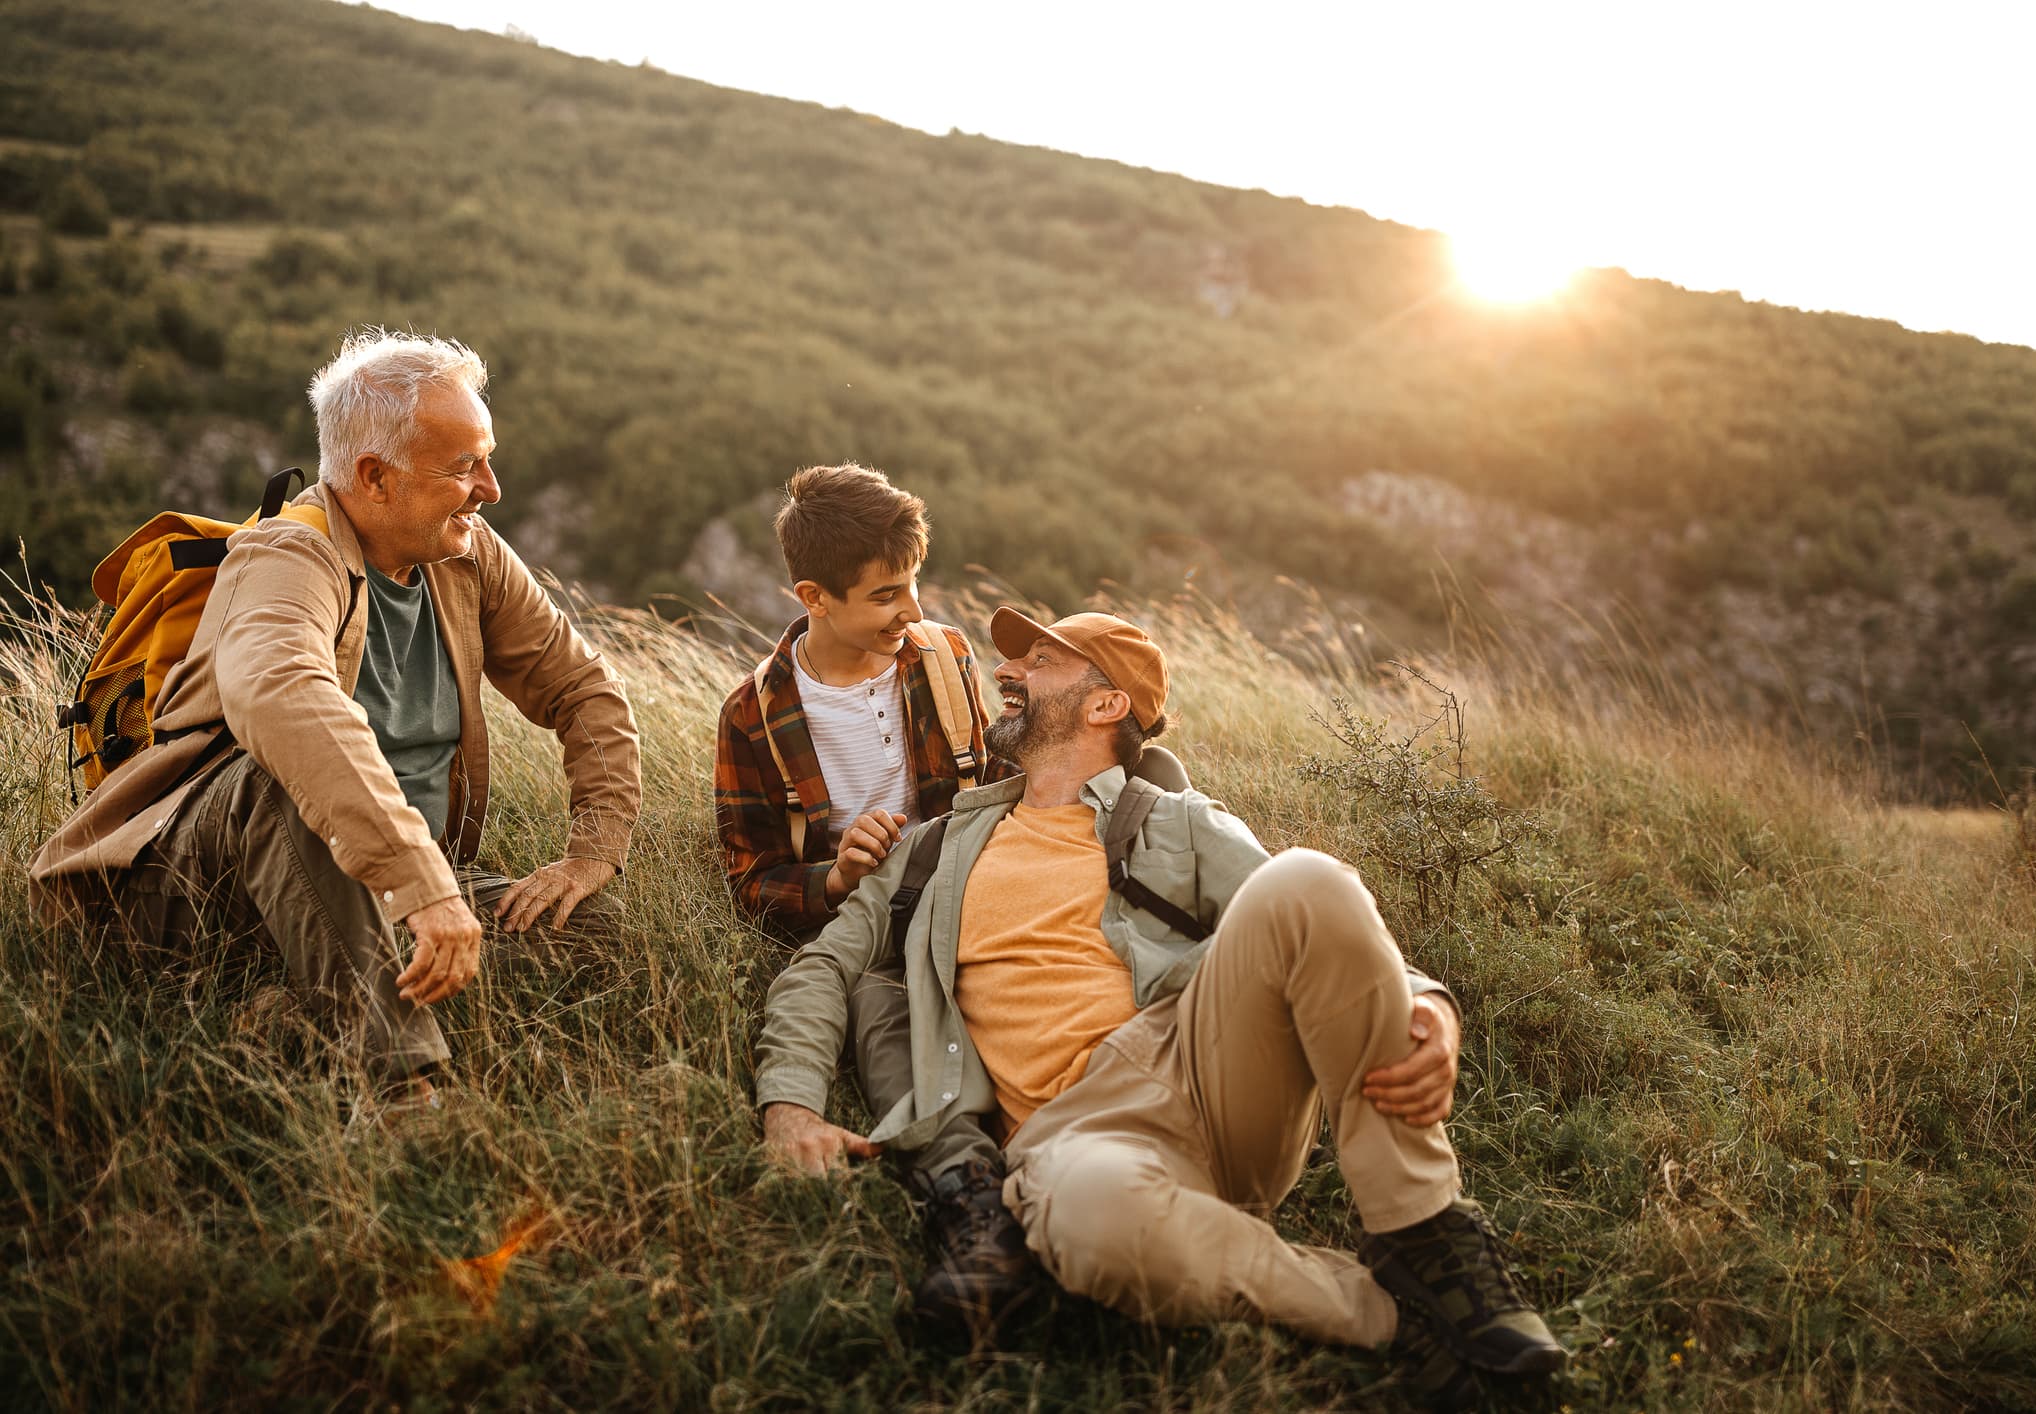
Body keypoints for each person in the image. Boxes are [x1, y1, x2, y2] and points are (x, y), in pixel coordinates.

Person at [753, 608, 1565, 1391]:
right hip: (1069, 1138)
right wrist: (789, 1104)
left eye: (1038, 663)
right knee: (1086, 1224)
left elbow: (1308, 917)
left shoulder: (1176, 820)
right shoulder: (931, 847)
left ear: (1106, 703)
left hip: (1203, 1066)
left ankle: (1424, 1230)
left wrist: (1426, 1001)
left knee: (1304, 875)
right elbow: (823, 968)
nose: (1005, 671)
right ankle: (1392, 1317)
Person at [30, 329, 641, 1113]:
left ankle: (288, 1018)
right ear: (374, 477)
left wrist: (590, 854)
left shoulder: (466, 553)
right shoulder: (286, 557)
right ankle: (404, 1093)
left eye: (487, 458)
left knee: (588, 931)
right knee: (288, 775)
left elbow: (584, 688)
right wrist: (422, 885)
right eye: (463, 467)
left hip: (372, 892)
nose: (491, 487)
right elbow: (282, 695)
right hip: (198, 889)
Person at [714, 463, 1026, 1326]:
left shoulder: (946, 658)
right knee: (875, 1009)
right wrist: (836, 876)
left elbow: (1009, 784)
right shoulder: (754, 714)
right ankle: (970, 1203)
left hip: (977, 888)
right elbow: (749, 879)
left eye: (914, 586)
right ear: (812, 595)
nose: (911, 612)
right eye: (886, 595)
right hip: (871, 924)